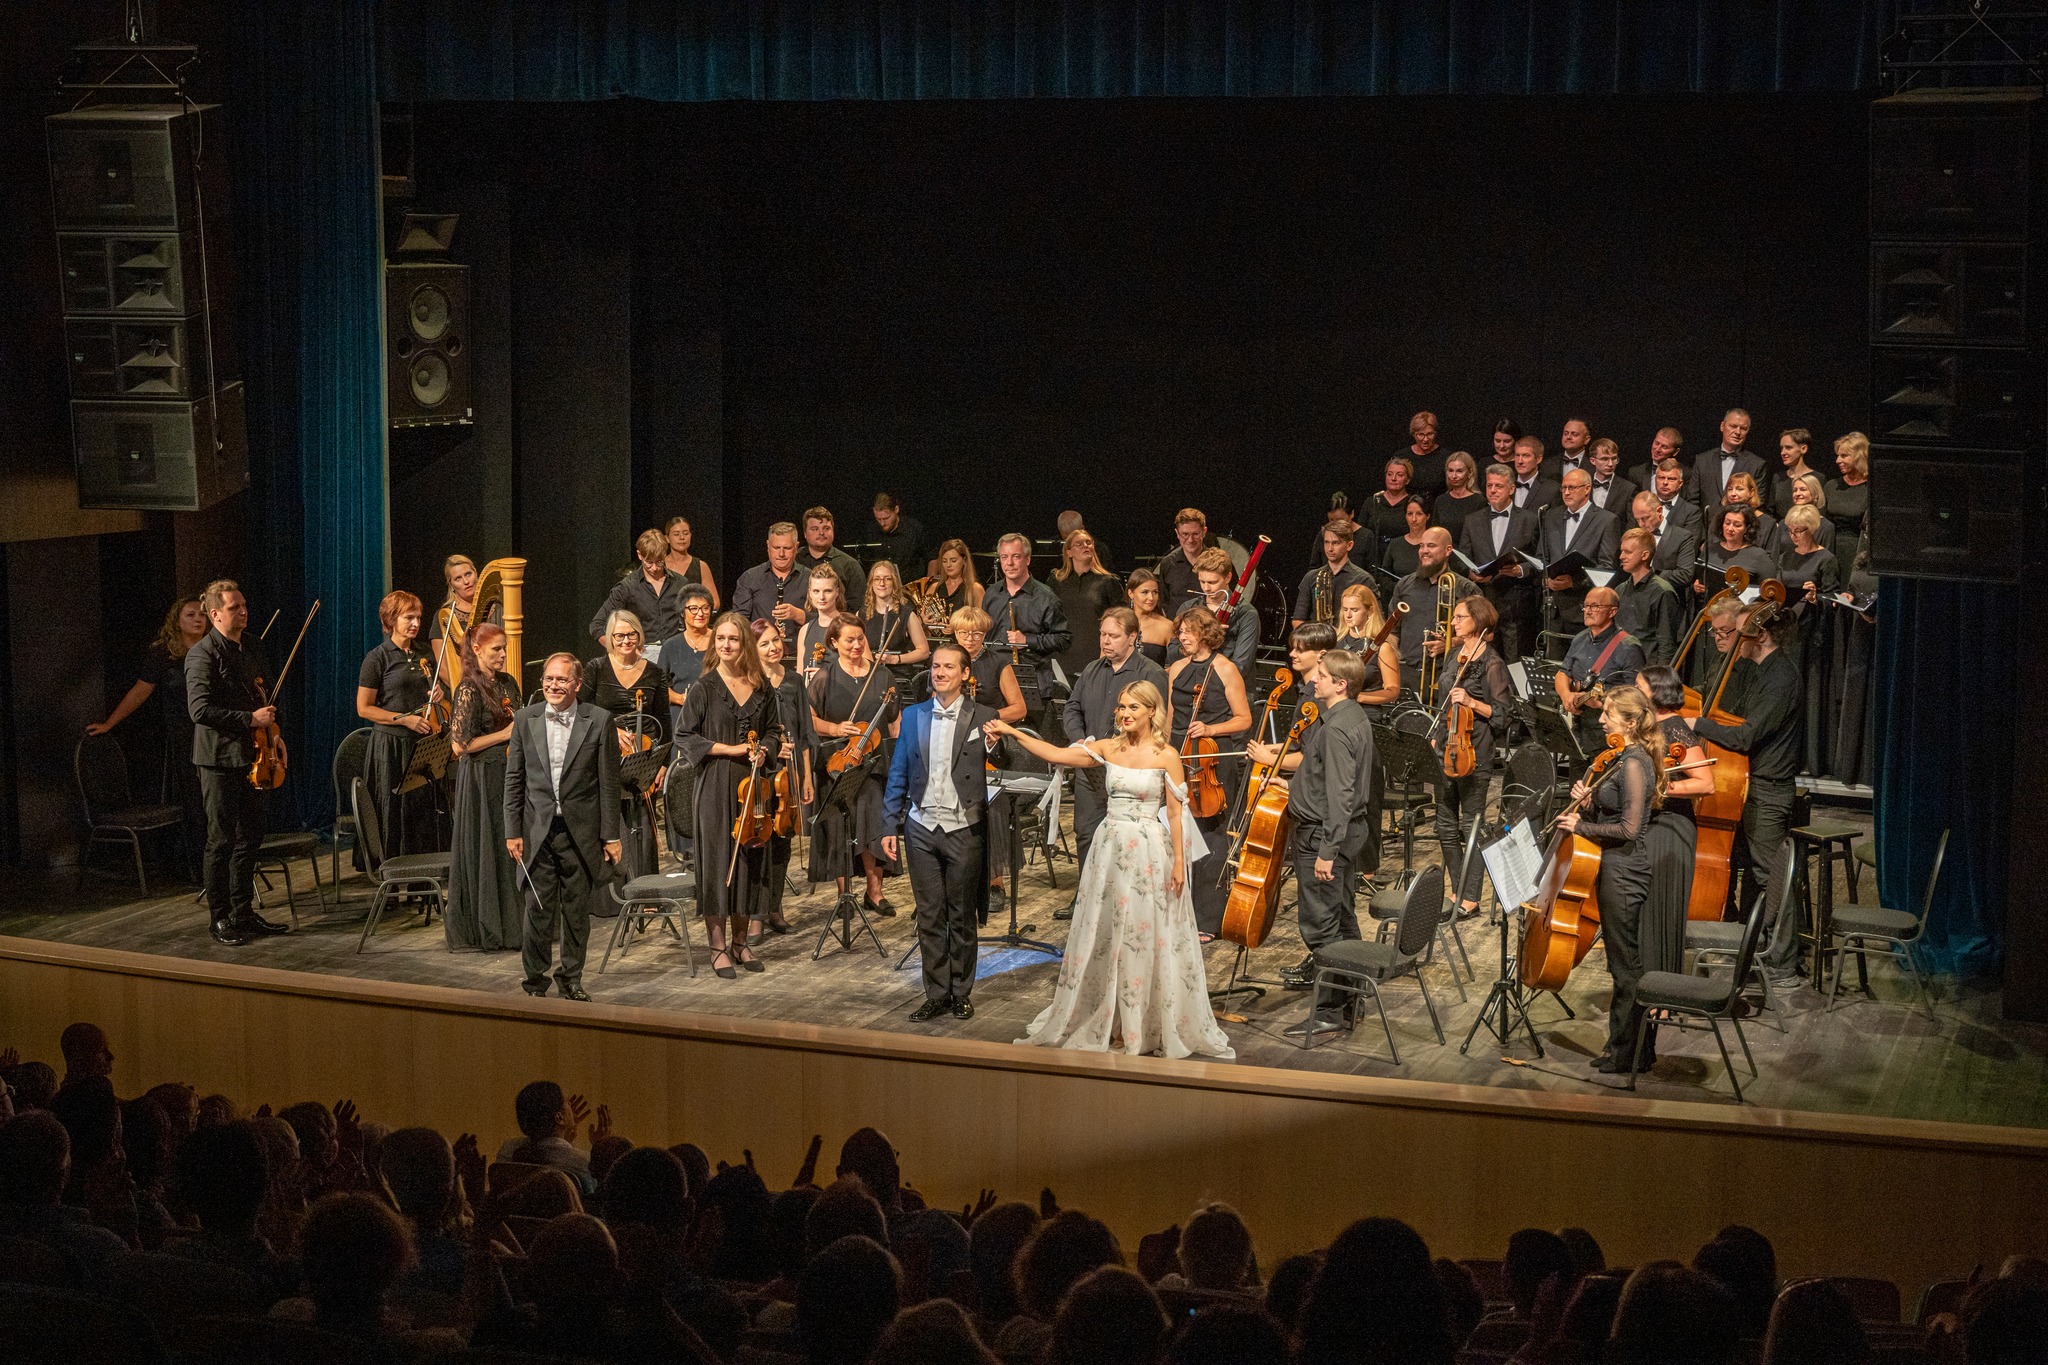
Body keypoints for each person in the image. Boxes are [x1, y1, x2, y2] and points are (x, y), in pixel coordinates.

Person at [991, 683, 1235, 1059]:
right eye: (1121, 707)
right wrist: (1012, 732)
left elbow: (1175, 813)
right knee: (1107, 930)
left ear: (1152, 711)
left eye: (1133, 707)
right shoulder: (1108, 747)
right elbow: (1056, 753)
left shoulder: (1167, 755)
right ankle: (1112, 1019)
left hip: (1149, 851)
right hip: (1110, 848)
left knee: (1142, 932)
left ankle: (1142, 1022)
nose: (1125, 713)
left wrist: (1179, 864)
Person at [1248, 653, 1377, 1028]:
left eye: (1322, 675)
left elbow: (1341, 794)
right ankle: (1351, 999)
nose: (1314, 680)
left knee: (1321, 927)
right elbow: (1327, 779)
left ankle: (1329, 1011)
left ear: (1341, 684)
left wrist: (1327, 852)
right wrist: (1295, 787)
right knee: (1343, 920)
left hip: (1322, 837)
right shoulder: (1352, 716)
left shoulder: (1335, 729)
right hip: (1337, 831)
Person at [882, 643, 1000, 1022]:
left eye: (949, 667)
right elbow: (898, 771)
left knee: (961, 914)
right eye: (935, 666)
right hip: (920, 827)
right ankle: (936, 993)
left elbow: (1003, 759)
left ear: (965, 674)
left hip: (963, 827)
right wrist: (889, 823)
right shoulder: (913, 715)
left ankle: (961, 992)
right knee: (930, 915)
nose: (940, 672)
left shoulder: (984, 715)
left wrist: (994, 746)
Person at [1692, 606, 1805, 981]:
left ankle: (1784, 961)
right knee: (1754, 874)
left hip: (1769, 790)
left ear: (1762, 636)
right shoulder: (1760, 671)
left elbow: (1745, 736)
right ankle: (1752, 945)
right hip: (1750, 785)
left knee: (1771, 874)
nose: (1735, 640)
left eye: (1740, 633)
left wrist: (1698, 723)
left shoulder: (1781, 678)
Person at [504, 653, 622, 1000]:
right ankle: (535, 980)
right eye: (549, 679)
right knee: (537, 910)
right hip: (537, 832)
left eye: (562, 680)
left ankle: (571, 977)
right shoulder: (525, 719)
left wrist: (610, 835)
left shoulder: (599, 720)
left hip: (580, 832)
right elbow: (514, 780)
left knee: (576, 912)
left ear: (577, 684)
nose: (553, 685)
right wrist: (512, 831)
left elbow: (608, 784)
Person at [1558, 688, 1664, 1074]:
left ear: (1631, 723)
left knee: (1626, 967)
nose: (1601, 720)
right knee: (1623, 964)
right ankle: (1634, 1050)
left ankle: (1628, 1053)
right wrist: (1590, 802)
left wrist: (1580, 825)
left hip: (1624, 872)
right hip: (1615, 867)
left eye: (1608, 714)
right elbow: (1615, 812)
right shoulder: (1624, 758)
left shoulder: (1634, 763)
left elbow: (1630, 828)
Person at [677, 614, 784, 978]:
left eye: (733, 639)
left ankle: (740, 942)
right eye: (720, 638)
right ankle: (717, 946)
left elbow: (773, 731)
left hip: (752, 788)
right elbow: (685, 735)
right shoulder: (704, 688)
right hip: (715, 786)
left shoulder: (762, 687)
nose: (725, 644)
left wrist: (764, 750)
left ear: (744, 645)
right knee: (718, 864)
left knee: (749, 862)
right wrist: (731, 749)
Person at [186, 580, 286, 946]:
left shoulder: (254, 645)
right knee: (221, 840)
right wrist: (250, 720)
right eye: (234, 608)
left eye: (243, 605)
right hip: (219, 759)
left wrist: (273, 733)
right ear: (215, 614)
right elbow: (199, 710)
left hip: (256, 753)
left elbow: (265, 695)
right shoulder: (202, 654)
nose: (243, 611)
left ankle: (243, 911)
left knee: (250, 838)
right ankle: (219, 917)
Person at [1061, 608, 1170, 915]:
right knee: (1086, 832)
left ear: (1133, 637)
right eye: (1102, 634)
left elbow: (1156, 722)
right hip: (1091, 767)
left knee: (1127, 838)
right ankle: (1087, 897)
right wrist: (1079, 739)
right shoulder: (1093, 669)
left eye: (1113, 635)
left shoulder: (1150, 673)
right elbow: (1072, 709)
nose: (1105, 641)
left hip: (1129, 773)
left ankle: (1123, 899)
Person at [89, 595, 207, 878]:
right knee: (195, 803)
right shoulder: (163, 654)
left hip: (215, 732)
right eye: (190, 614)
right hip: (184, 737)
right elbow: (141, 691)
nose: (197, 619)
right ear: (176, 620)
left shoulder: (214, 649)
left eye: (202, 614)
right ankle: (200, 868)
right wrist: (110, 723)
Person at [1636, 665, 1716, 1069]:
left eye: (1639, 687)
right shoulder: (1651, 728)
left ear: (1656, 693)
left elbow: (1706, 783)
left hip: (1672, 831)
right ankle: (1653, 993)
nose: (1634, 692)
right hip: (1655, 828)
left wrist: (1661, 788)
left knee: (1662, 915)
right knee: (1649, 916)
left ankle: (1663, 999)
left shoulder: (1676, 729)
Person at [1165, 605, 1253, 940]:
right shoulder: (1177, 669)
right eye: (1180, 631)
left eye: (1189, 631)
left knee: (1210, 833)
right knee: (1176, 827)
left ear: (1206, 634)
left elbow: (1243, 719)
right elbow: (1171, 717)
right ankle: (1178, 910)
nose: (1182, 637)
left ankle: (1208, 918)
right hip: (1179, 753)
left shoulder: (1225, 669)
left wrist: (1210, 729)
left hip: (1212, 759)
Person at [808, 618, 902, 920]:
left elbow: (894, 722)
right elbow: (809, 720)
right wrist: (836, 729)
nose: (857, 645)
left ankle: (875, 892)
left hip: (873, 763)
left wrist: (899, 759)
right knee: (839, 825)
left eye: (860, 638)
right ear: (834, 643)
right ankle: (844, 894)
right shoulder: (825, 676)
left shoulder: (882, 675)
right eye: (849, 640)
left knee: (874, 821)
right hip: (837, 763)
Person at [581, 609, 681, 886]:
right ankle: (612, 890)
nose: (625, 640)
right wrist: (611, 729)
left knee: (642, 822)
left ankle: (646, 888)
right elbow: (581, 711)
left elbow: (664, 720)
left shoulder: (654, 673)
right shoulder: (596, 668)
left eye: (631, 634)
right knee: (609, 817)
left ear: (639, 636)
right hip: (605, 754)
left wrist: (662, 764)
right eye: (619, 635)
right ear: (610, 638)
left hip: (643, 756)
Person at [1430, 596, 1515, 917]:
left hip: (1474, 752)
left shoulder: (1493, 664)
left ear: (1478, 622)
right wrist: (1437, 733)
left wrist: (1471, 702)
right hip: (1445, 748)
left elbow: (1503, 715)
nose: (1453, 622)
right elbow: (1443, 700)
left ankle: (1471, 897)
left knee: (1472, 826)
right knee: (1445, 825)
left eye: (1460, 617)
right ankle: (1457, 887)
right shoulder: (1455, 656)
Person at [446, 622, 522, 951]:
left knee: (509, 848)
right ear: (477, 650)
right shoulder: (468, 689)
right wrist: (504, 734)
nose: (503, 654)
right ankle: (489, 928)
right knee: (488, 848)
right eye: (496, 649)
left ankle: (516, 925)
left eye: (504, 648)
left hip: (508, 774)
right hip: (480, 779)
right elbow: (460, 745)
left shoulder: (507, 683)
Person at [356, 589, 442, 859]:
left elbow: (430, 692)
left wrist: (438, 693)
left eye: (418, 617)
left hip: (422, 743)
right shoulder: (377, 657)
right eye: (409, 618)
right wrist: (404, 719)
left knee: (422, 810)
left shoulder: (424, 654)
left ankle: (424, 871)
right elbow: (364, 708)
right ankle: (392, 870)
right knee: (394, 810)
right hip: (391, 746)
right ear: (391, 619)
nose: (416, 623)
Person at [753, 620, 813, 938]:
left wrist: (806, 777)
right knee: (758, 841)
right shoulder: (749, 681)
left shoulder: (794, 681)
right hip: (760, 772)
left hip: (788, 773)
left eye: (775, 640)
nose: (773, 647)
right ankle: (755, 912)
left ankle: (775, 907)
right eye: (764, 643)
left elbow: (804, 732)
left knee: (782, 841)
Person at [979, 532, 1073, 712]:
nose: (1009, 563)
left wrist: (1027, 640)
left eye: (1016, 556)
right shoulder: (991, 594)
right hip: (994, 682)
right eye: (1004, 557)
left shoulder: (1046, 597)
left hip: (1031, 682)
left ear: (1027, 559)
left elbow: (1064, 639)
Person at [1458, 462, 1542, 660]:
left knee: (1515, 661)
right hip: (1483, 603)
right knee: (1483, 660)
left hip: (1517, 603)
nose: (1493, 490)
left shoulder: (1530, 519)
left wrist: (1520, 569)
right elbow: (1462, 559)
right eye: (1489, 486)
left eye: (1499, 486)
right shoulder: (1472, 520)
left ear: (1511, 489)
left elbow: (1540, 559)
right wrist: (1471, 574)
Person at [1554, 587, 1647, 754]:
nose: (1588, 611)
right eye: (1586, 606)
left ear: (1612, 612)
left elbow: (1636, 695)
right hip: (1579, 726)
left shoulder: (1628, 647)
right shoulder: (1579, 639)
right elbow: (1563, 673)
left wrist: (1601, 703)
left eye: (1595, 606)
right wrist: (1566, 695)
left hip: (1608, 731)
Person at [1539, 467, 1622, 642]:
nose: (1566, 492)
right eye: (1564, 488)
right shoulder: (1551, 516)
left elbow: (1607, 568)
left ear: (1587, 489)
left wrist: (1574, 582)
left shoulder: (1607, 520)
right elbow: (1542, 556)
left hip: (1584, 609)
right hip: (1553, 611)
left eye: (1572, 488)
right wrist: (1545, 577)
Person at [1390, 528, 1473, 680]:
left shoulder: (1466, 589)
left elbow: (1481, 636)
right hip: (1406, 671)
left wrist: (1449, 644)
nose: (1424, 551)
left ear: (1448, 550)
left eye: (1431, 546)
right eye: (1421, 546)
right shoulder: (1404, 585)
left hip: (1446, 673)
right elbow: (1392, 631)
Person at [588, 528, 688, 650]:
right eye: (649, 562)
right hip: (642, 652)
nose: (655, 568)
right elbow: (597, 625)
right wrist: (619, 650)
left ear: (665, 554)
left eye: (659, 562)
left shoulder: (680, 583)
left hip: (676, 651)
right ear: (640, 555)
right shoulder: (627, 587)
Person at [1051, 529, 1128, 679]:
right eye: (1079, 544)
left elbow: (1122, 620)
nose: (1085, 546)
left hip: (1095, 655)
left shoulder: (1108, 581)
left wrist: (1108, 650)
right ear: (1069, 552)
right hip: (1062, 656)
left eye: (1088, 542)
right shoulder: (1056, 581)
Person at [1170, 548, 1258, 677]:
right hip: (1192, 680)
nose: (1206, 588)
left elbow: (1241, 666)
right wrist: (1204, 637)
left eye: (1212, 582)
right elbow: (1172, 654)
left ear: (1228, 577)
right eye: (1202, 581)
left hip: (1227, 684)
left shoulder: (1247, 614)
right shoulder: (1188, 608)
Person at [733, 521, 809, 653]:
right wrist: (767, 632)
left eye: (787, 548)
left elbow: (825, 620)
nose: (781, 554)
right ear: (768, 546)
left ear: (796, 547)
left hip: (800, 653)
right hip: (760, 655)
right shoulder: (750, 577)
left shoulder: (811, 579)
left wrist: (798, 615)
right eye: (776, 547)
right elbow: (739, 621)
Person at [1614, 529, 1682, 665]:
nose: (1621, 556)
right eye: (1622, 551)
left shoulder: (1662, 592)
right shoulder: (1620, 589)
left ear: (1645, 555)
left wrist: (1659, 675)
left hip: (1646, 667)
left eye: (1628, 552)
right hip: (1619, 664)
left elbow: (1666, 643)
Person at [1331, 582, 1402, 711]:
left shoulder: (1382, 647)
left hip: (1365, 713)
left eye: (1354, 610)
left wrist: (1359, 697)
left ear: (1369, 611)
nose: (1348, 615)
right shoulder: (1336, 641)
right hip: (1335, 710)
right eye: (1345, 609)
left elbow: (1393, 691)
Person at [863, 560, 931, 692]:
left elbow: (923, 651)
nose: (882, 583)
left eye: (887, 579)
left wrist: (895, 659)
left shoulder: (907, 614)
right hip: (870, 678)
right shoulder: (861, 614)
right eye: (877, 579)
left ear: (894, 583)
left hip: (899, 679)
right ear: (871, 583)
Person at [1293, 519, 1371, 629]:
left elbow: (1373, 621)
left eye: (1336, 543)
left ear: (1349, 545)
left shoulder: (1363, 579)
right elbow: (1298, 620)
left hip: (1350, 639)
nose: (1329, 548)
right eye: (1326, 542)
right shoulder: (1311, 577)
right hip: (1316, 637)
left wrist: (1338, 634)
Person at [1632, 490, 1703, 599]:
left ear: (1659, 511)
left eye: (1645, 518)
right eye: (1637, 519)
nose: (1641, 524)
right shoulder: (1635, 536)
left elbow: (1685, 574)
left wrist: (1650, 574)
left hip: (1667, 599)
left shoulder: (1682, 536)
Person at [794, 563, 857, 681]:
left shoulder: (850, 626)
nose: (821, 597)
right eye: (816, 591)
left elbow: (866, 671)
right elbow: (800, 675)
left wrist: (828, 676)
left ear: (837, 592)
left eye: (827, 591)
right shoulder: (805, 630)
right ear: (810, 593)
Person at [1697, 408, 1765, 511]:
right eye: (1733, 426)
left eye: (1743, 428)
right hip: (1706, 521)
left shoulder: (1757, 464)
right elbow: (1693, 500)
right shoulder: (1702, 460)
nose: (1738, 432)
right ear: (1722, 426)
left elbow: (1757, 503)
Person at [796, 506, 866, 601]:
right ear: (805, 533)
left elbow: (857, 604)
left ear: (833, 530)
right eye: (815, 529)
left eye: (826, 528)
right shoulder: (794, 559)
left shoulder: (849, 565)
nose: (821, 533)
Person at [1701, 505, 1777, 592]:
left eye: (1737, 525)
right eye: (1727, 523)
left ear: (1747, 529)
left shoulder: (1758, 555)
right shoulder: (1710, 549)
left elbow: (1772, 589)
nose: (1730, 529)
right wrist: (1697, 587)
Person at [662, 515, 720, 609]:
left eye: (686, 533)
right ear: (667, 538)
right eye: (676, 534)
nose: (682, 537)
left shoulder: (701, 566)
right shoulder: (660, 565)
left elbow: (715, 602)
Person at [1157, 509, 1212, 609]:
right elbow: (1163, 602)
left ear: (1204, 532)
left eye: (1195, 534)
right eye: (1185, 534)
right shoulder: (1168, 564)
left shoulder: (1217, 562)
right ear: (1177, 534)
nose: (1190, 540)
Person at [1823, 432, 1870, 544]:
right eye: (1838, 456)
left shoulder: (1870, 488)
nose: (1838, 460)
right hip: (1830, 546)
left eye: (1844, 456)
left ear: (1859, 456)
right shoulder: (1831, 486)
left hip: (1858, 547)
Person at [1723, 471, 1785, 558]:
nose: (1733, 494)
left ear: (1751, 492)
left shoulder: (1767, 523)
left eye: (1739, 489)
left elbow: (1770, 556)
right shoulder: (1721, 517)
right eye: (1730, 489)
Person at [869, 493, 931, 579]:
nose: (882, 523)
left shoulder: (914, 529)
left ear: (896, 510)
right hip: (883, 584)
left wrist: (929, 583)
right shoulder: (872, 531)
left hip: (911, 583)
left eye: (886, 518)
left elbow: (932, 557)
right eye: (878, 519)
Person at [1364, 457, 1420, 544]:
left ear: (1407, 480)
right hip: (1374, 550)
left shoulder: (1412, 503)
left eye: (1399, 475)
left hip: (1401, 549)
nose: (1393, 478)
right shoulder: (1373, 501)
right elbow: (1362, 532)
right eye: (1389, 474)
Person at [1765, 428, 1819, 518]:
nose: (1783, 453)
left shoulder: (1817, 477)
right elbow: (1770, 510)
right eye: (1781, 448)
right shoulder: (1778, 478)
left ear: (1803, 449)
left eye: (1788, 448)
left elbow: (1820, 509)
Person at [1126, 568, 1175, 665]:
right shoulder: (1118, 622)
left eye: (1155, 592)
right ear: (1131, 593)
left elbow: (1177, 664)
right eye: (1145, 592)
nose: (1151, 598)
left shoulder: (1167, 626)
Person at [929, 537, 984, 615]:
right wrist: (923, 619)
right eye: (944, 561)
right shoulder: (934, 588)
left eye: (953, 561)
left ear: (964, 560)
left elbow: (983, 620)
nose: (948, 565)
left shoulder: (975, 589)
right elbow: (921, 616)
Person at [1381, 497, 1433, 577]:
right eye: (1410, 514)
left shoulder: (1435, 544)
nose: (1414, 519)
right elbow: (1384, 575)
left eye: (1419, 514)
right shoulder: (1395, 544)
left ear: (1428, 516)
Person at [1401, 409, 1447, 499]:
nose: (1425, 439)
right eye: (1421, 434)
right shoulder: (1402, 456)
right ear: (1413, 434)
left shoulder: (1446, 457)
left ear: (1435, 433)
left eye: (1430, 434)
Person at [1435, 450, 1485, 531]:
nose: (1454, 476)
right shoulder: (1441, 500)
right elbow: (1435, 531)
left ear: (1470, 473)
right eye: (1450, 471)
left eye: (1459, 471)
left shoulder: (1479, 501)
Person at [1587, 437, 1638, 515]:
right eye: (1604, 459)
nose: (1610, 464)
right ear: (1593, 461)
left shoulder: (1628, 489)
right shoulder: (1582, 484)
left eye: (1614, 459)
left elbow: (1631, 521)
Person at [1786, 472, 1836, 550]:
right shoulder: (1784, 523)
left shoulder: (1826, 527)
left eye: (1803, 489)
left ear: (1815, 494)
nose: (1797, 493)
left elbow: (1827, 555)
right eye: (1795, 490)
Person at [1510, 436, 1560, 513]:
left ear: (1539, 459)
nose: (1520, 461)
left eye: (1526, 456)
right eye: (1517, 455)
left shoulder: (1552, 489)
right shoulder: (1504, 485)